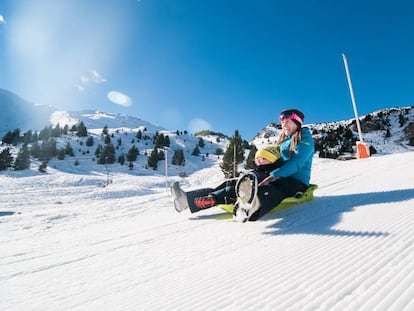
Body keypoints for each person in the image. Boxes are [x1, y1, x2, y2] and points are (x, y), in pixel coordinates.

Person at [235, 108, 314, 222]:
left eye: (287, 121)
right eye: (282, 122)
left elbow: (296, 163)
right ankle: (212, 197)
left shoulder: (305, 140)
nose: (284, 125)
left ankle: (252, 207)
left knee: (277, 185)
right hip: (278, 174)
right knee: (250, 177)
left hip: (296, 181)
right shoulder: (284, 140)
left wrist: (273, 175)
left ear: (297, 123)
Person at [171, 145, 285, 214]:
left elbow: (269, 184)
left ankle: (210, 200)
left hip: (247, 194)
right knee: (226, 184)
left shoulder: (274, 172)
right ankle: (186, 199)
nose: (259, 160)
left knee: (229, 190)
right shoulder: (259, 169)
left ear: (273, 159)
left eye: (263, 158)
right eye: (258, 158)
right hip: (241, 186)